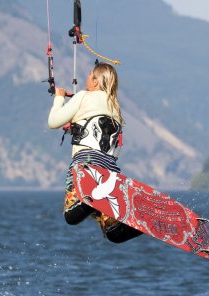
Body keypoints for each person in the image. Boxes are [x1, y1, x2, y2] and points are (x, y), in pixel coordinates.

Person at [48, 62, 142, 243]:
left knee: (71, 216)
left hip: (87, 167)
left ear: (97, 82)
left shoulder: (83, 96)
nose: (86, 79)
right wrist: (74, 127)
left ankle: (90, 199)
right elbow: (95, 129)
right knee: (113, 233)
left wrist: (59, 98)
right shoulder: (114, 104)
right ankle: (139, 221)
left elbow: (53, 121)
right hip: (109, 172)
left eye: (90, 76)